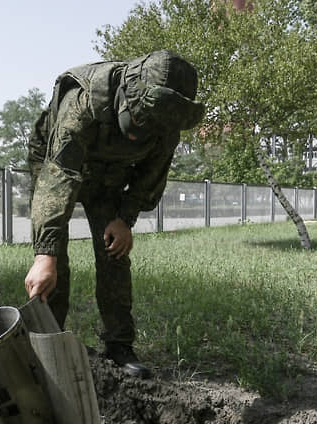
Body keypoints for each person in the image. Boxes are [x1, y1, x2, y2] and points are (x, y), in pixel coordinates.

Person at [24, 50, 205, 378]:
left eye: (152, 131)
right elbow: (58, 176)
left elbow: (151, 175)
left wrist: (125, 219)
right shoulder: (84, 102)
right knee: (54, 264)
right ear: (127, 98)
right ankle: (49, 344)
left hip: (109, 174)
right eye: (138, 123)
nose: (140, 135)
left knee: (114, 252)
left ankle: (119, 345)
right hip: (57, 161)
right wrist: (45, 253)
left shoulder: (167, 121)